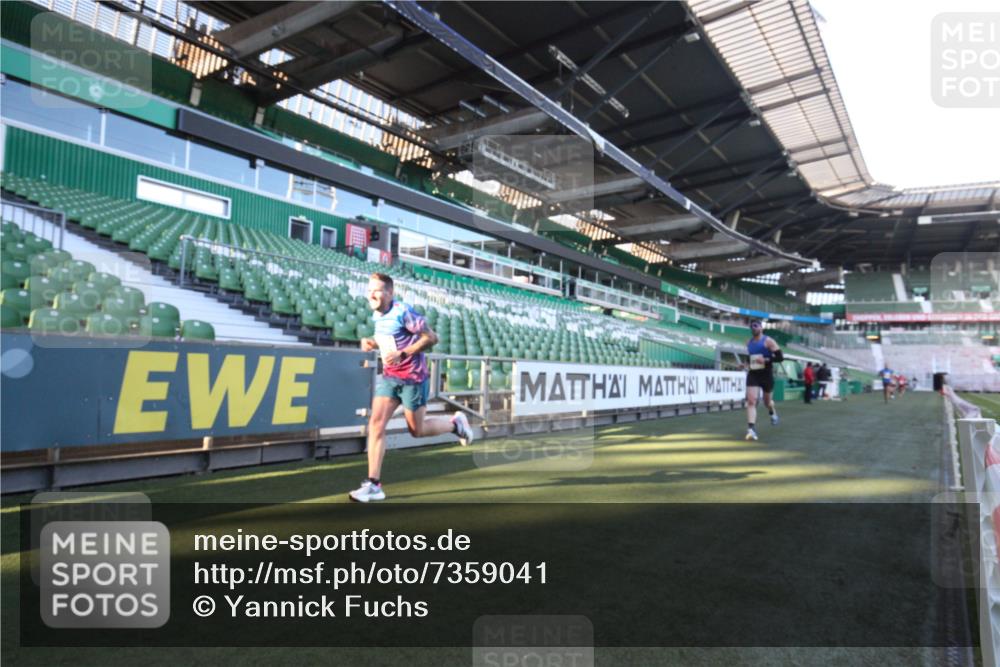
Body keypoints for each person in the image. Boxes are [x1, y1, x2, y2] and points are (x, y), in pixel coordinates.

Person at [349, 273, 473, 503]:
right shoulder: (377, 314)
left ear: (389, 293)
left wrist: (403, 354)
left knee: (417, 431)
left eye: (376, 290)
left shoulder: (404, 312)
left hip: (413, 379)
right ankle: (374, 484)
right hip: (390, 378)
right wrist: (372, 342)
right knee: (375, 424)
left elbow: (432, 337)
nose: (371, 294)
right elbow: (392, 339)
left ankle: (455, 425)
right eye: (369, 290)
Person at [744, 320, 783, 441]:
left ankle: (772, 412)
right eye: (752, 327)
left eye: (756, 326)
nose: (754, 328)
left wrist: (766, 360)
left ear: (761, 328)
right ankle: (751, 429)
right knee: (751, 401)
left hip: (766, 375)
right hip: (753, 374)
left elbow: (780, 357)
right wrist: (744, 364)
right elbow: (749, 358)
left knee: (767, 403)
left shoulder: (768, 341)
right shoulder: (748, 342)